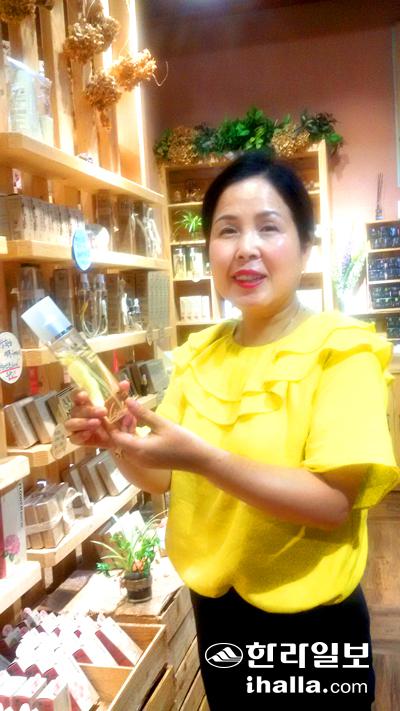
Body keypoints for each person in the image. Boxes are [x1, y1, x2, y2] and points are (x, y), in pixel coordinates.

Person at [65, 152, 399, 710]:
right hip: (218, 613)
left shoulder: (342, 351)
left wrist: (205, 459)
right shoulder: (199, 355)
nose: (246, 248)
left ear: (305, 246)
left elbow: (330, 503)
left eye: (269, 227)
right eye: (227, 231)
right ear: (209, 251)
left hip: (312, 626)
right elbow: (162, 478)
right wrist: (119, 441)